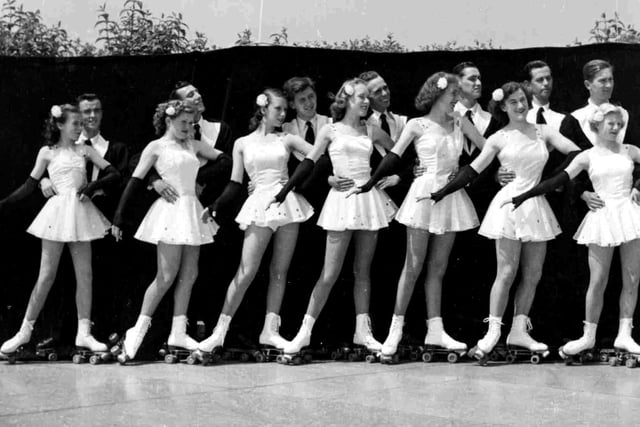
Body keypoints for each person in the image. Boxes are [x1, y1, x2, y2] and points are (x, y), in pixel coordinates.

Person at [419, 82, 580, 361]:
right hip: (508, 207)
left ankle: (518, 330)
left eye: (523, 100)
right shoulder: (498, 137)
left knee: (533, 273)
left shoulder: (544, 131)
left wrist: (554, 181)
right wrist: (442, 192)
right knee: (506, 272)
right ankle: (493, 332)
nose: (520, 106)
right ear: (503, 107)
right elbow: (473, 170)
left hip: (536, 206)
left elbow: (577, 153)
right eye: (514, 102)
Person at [355, 72, 484, 359]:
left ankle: (435, 330)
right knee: (412, 266)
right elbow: (393, 156)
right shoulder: (417, 124)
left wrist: (464, 175)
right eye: (453, 94)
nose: (457, 99)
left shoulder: (461, 122)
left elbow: (488, 151)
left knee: (438, 268)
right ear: (438, 94)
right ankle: (394, 331)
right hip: (423, 196)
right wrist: (370, 180)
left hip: (450, 195)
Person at [502, 103, 640, 360]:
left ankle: (625, 334)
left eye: (618, 123)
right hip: (602, 218)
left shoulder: (630, 151)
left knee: (632, 278)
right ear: (597, 125)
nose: (615, 127)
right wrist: (525, 195)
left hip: (630, 216)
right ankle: (588, 336)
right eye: (610, 123)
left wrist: (638, 186)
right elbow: (559, 180)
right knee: (598, 280)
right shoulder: (587, 156)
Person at [274, 78, 397, 357]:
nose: (366, 102)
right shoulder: (329, 130)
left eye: (368, 98)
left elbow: (398, 154)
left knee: (363, 272)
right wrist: (284, 191)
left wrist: (394, 176)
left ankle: (363, 332)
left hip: (368, 200)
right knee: (329, 274)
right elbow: (309, 162)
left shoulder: (372, 130)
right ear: (347, 100)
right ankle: (304, 334)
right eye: (361, 98)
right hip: (341, 202)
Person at [195, 89, 314, 357]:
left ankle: (270, 331)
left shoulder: (288, 138)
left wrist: (303, 181)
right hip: (259, 204)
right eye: (278, 109)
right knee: (246, 270)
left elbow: (319, 154)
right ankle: (218, 333)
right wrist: (215, 206)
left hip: (287, 204)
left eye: (285, 110)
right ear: (263, 109)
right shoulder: (241, 143)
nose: (283, 114)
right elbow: (236, 182)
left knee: (279, 271)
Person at [0, 104, 119, 357]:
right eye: (75, 123)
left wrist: (91, 187)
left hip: (80, 212)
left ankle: (84, 333)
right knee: (46, 276)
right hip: (57, 214)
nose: (80, 127)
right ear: (59, 125)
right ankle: (25, 331)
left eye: (81, 123)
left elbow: (112, 173)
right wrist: (4, 204)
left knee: (85, 275)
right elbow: (29, 185)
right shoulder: (47, 152)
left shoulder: (84, 150)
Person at [110, 100, 222, 362]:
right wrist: (118, 217)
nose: (187, 127)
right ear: (168, 120)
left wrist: (202, 179)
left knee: (190, 273)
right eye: (182, 122)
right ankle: (136, 332)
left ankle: (178, 332)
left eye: (191, 123)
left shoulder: (195, 145)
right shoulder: (156, 147)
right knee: (166, 275)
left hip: (191, 209)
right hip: (170, 212)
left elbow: (225, 160)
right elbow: (135, 180)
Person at [39, 93, 130, 338]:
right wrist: (45, 179)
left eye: (96, 111)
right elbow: (43, 169)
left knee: (96, 278)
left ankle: (103, 333)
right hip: (65, 221)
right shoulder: (56, 150)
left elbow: (119, 179)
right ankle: (59, 335)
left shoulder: (115, 149)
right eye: (86, 112)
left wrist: (94, 190)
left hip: (100, 224)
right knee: (58, 277)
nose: (91, 117)